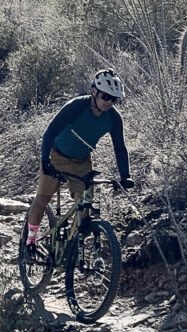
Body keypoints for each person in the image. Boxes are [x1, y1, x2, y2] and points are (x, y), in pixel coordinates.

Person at [25, 69, 134, 248]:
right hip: (56, 157)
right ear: (94, 92)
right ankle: (30, 239)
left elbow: (120, 148)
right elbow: (50, 132)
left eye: (114, 99)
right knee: (43, 199)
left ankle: (70, 247)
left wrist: (125, 176)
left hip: (81, 162)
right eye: (106, 97)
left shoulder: (114, 118)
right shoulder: (77, 106)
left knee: (84, 207)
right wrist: (45, 161)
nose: (109, 102)